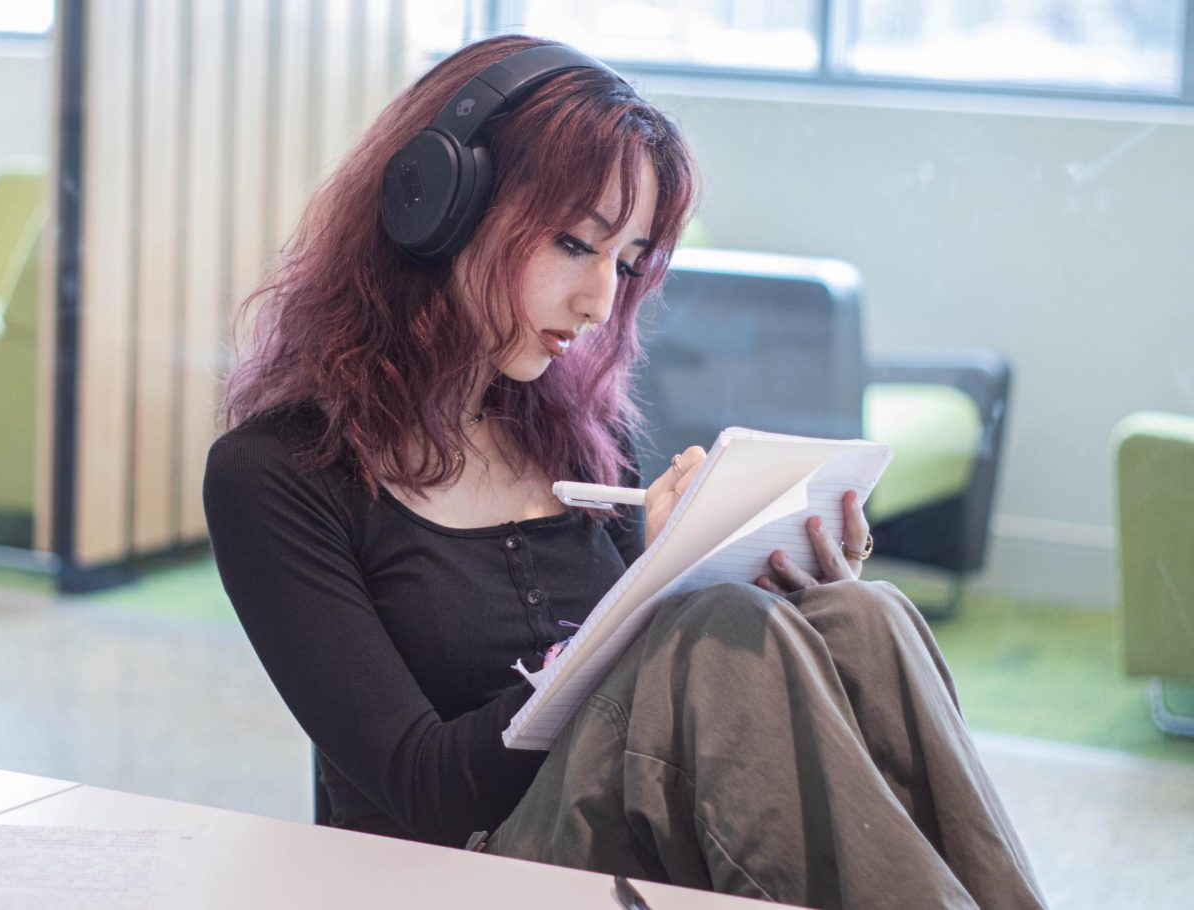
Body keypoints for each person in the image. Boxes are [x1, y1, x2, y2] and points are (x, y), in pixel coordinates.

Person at [203, 34, 1046, 909]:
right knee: (709, 635)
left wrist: (765, 573)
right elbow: (421, 788)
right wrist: (649, 600)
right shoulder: (275, 474)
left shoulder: (566, 435)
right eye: (576, 244)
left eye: (627, 261)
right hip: (456, 866)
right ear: (438, 208)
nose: (602, 301)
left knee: (862, 615)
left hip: (621, 833)